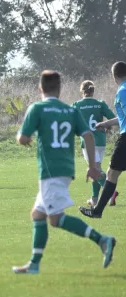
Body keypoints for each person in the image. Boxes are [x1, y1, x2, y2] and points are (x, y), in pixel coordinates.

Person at [13, 70, 115, 275]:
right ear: (59, 89)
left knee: (56, 218)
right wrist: (94, 167)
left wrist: (27, 139)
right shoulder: (70, 110)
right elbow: (88, 136)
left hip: (50, 170)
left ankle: (102, 239)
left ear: (40, 88)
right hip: (66, 169)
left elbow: (23, 138)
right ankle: (34, 263)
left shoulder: (37, 108)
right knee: (38, 214)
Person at [80, 61, 126, 219]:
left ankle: (97, 211)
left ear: (114, 76)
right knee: (111, 173)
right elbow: (122, 118)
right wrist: (106, 123)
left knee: (111, 174)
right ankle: (97, 209)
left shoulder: (123, 91)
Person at [72, 80, 118, 207]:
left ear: (82, 91)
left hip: (88, 142)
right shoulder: (100, 104)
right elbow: (113, 118)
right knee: (97, 169)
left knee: (95, 169)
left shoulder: (76, 105)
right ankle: (94, 199)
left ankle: (111, 192)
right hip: (101, 141)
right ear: (93, 91)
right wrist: (106, 127)